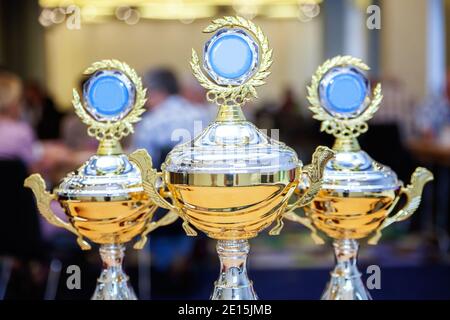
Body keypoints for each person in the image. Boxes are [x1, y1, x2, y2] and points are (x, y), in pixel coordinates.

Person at [132, 68, 210, 169]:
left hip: (165, 179)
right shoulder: (201, 113)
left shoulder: (150, 122)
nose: (145, 101)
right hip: (199, 176)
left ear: (157, 92)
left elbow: (141, 162)